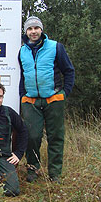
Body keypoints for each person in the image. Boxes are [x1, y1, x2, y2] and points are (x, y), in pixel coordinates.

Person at [19, 16, 75, 183]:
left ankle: (55, 174)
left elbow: (69, 71)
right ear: (26, 32)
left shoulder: (55, 47)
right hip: (31, 101)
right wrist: (22, 95)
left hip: (54, 98)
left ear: (41, 30)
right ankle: (32, 170)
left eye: (36, 28)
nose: (33, 31)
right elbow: (23, 75)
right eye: (30, 29)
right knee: (32, 136)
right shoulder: (22, 51)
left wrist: (65, 93)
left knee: (55, 136)